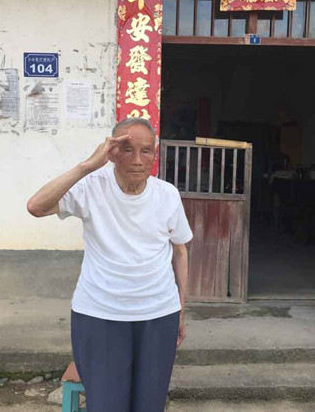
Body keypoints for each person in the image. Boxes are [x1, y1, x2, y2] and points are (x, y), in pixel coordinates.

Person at [26, 117, 193, 412]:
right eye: (127, 149)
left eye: (146, 151)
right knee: (106, 404)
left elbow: (179, 251)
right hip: (99, 315)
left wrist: (180, 308)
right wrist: (87, 165)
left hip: (158, 315)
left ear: (154, 155)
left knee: (149, 405)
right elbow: (36, 207)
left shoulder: (167, 194)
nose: (138, 160)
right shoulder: (91, 187)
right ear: (111, 152)